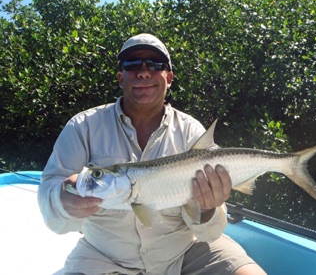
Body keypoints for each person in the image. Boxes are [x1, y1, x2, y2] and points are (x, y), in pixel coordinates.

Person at [38, 33, 266, 275]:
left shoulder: (190, 131)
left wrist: (209, 207)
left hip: (185, 251)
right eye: (132, 64)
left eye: (155, 65)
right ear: (120, 78)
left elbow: (209, 233)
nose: (144, 72)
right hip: (103, 256)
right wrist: (62, 200)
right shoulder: (82, 126)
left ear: (169, 78)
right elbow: (50, 191)